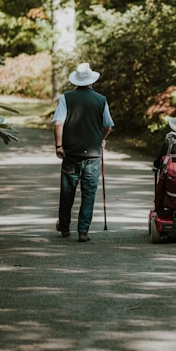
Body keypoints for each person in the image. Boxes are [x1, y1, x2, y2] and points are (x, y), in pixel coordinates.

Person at [52, 63, 115, 242]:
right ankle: (83, 231)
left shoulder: (66, 97)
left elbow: (58, 123)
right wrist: (101, 139)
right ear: (92, 81)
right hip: (93, 155)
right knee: (88, 193)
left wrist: (59, 146)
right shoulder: (101, 100)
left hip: (71, 153)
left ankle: (64, 227)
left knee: (67, 192)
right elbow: (108, 126)